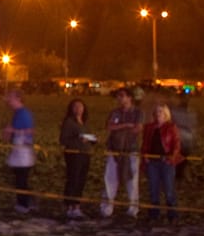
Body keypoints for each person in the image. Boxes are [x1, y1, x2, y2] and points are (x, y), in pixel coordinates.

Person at [100, 88, 143, 218]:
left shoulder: (137, 112)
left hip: (131, 149)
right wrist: (125, 126)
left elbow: (137, 128)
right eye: (118, 96)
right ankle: (107, 208)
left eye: (122, 96)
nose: (120, 99)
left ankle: (133, 208)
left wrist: (122, 127)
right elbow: (109, 126)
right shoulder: (115, 112)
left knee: (132, 179)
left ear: (130, 98)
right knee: (110, 178)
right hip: (114, 148)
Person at [140, 102, 183, 220]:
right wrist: (145, 156)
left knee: (169, 188)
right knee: (153, 188)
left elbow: (176, 144)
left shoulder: (171, 127)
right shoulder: (149, 127)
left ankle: (172, 212)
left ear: (165, 114)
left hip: (166, 161)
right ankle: (154, 212)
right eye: (157, 111)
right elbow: (145, 143)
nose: (158, 114)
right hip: (152, 161)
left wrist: (172, 157)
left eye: (161, 112)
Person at [58, 98, 96, 218]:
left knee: (81, 180)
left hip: (85, 154)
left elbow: (92, 137)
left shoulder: (84, 123)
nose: (78, 109)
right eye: (75, 107)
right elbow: (63, 140)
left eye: (80, 106)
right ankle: (69, 205)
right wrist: (78, 139)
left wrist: (92, 139)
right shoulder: (69, 122)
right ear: (71, 109)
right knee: (73, 179)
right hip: (74, 154)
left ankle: (77, 205)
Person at [3, 89, 36, 213]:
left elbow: (30, 131)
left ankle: (24, 204)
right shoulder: (18, 113)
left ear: (18, 99)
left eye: (10, 97)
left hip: (23, 151)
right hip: (19, 149)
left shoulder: (23, 113)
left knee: (21, 178)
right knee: (21, 178)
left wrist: (11, 131)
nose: (8, 100)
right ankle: (27, 202)